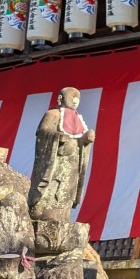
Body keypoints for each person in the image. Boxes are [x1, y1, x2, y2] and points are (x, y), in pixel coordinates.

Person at [30, 87, 96, 221]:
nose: (75, 101)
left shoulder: (78, 118)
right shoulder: (53, 114)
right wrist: (57, 136)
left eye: (77, 99)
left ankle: (63, 213)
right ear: (61, 98)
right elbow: (43, 132)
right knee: (54, 185)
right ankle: (44, 210)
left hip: (72, 161)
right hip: (56, 158)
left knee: (67, 188)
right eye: (72, 98)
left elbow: (79, 139)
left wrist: (86, 139)